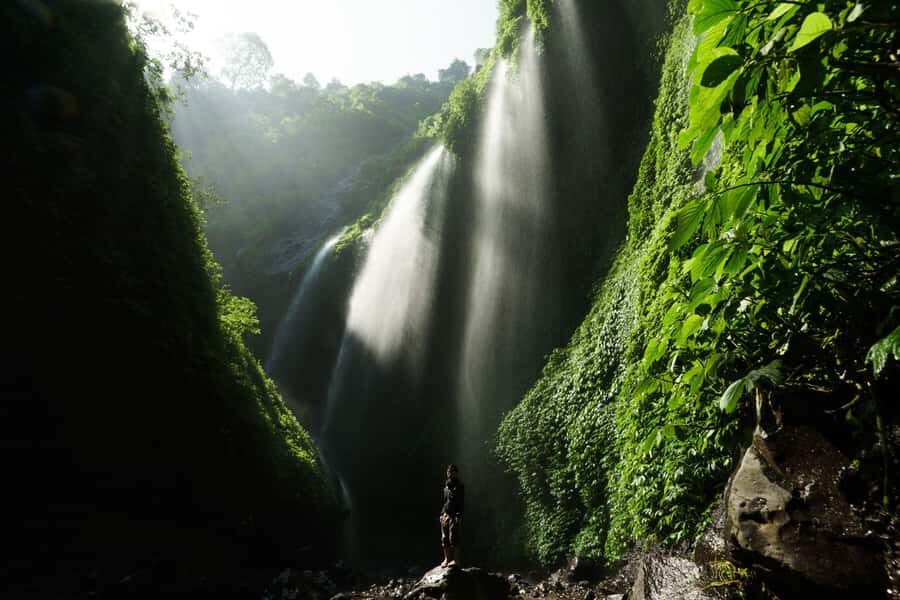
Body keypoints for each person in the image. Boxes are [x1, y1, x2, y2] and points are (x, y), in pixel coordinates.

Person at [439, 463, 465, 567]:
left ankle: (456, 560)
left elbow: (461, 501)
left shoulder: (459, 486)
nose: (449, 473)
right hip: (445, 514)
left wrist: (458, 515)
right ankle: (447, 559)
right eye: (448, 471)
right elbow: (445, 501)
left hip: (454, 515)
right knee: (444, 538)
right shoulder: (446, 486)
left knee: (453, 537)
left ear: (456, 473)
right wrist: (441, 514)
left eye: (452, 471)